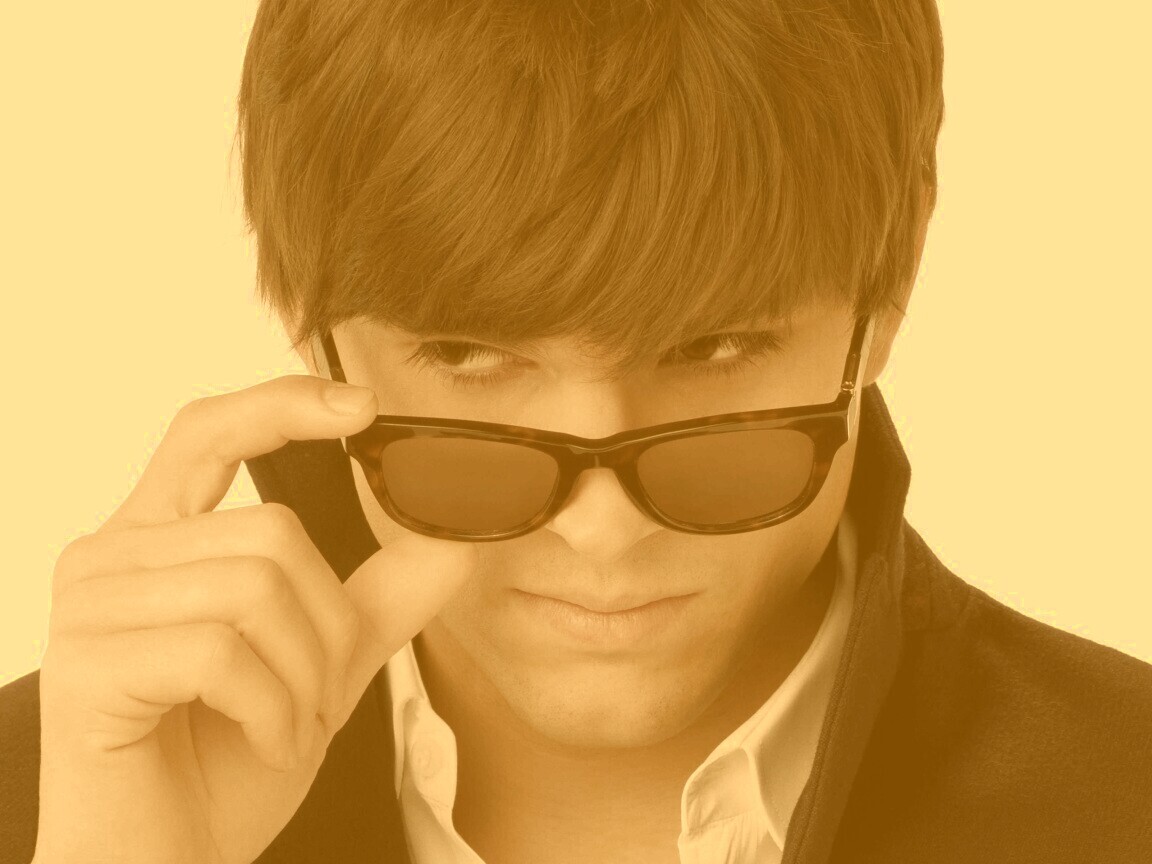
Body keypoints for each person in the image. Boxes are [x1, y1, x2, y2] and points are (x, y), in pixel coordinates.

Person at [2, 1, 1150, 862]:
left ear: (883, 305)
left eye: (715, 349)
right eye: (468, 357)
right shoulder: (52, 803)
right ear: (311, 329)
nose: (601, 534)